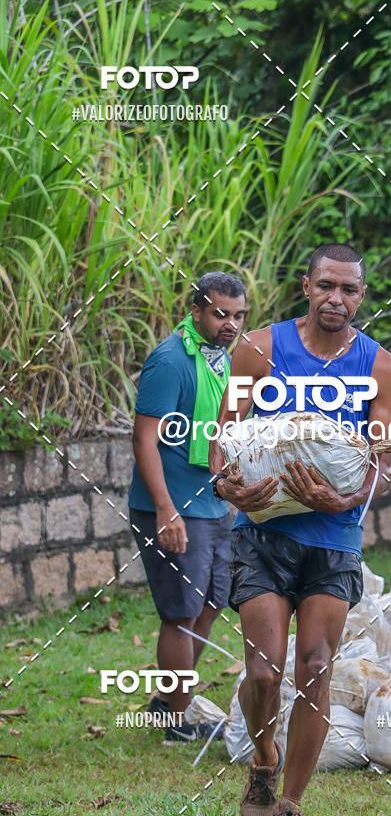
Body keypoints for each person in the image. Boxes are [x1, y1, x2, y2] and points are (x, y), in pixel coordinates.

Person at [208, 243, 391, 816]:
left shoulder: (381, 368)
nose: (335, 299)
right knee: (264, 673)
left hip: (334, 538)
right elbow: (222, 440)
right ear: (306, 286)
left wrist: (346, 500)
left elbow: (385, 457)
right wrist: (229, 490)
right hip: (263, 531)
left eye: (347, 290)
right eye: (326, 286)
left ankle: (290, 807)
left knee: (315, 665)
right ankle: (263, 763)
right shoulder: (259, 348)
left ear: (361, 297)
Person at [128, 272, 247, 742]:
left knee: (213, 602)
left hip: (214, 505)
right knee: (180, 613)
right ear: (196, 309)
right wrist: (165, 509)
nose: (230, 324)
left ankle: (166, 702)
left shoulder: (225, 359)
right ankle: (177, 721)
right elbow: (144, 439)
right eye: (220, 313)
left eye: (238, 315)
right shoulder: (171, 360)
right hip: (174, 507)